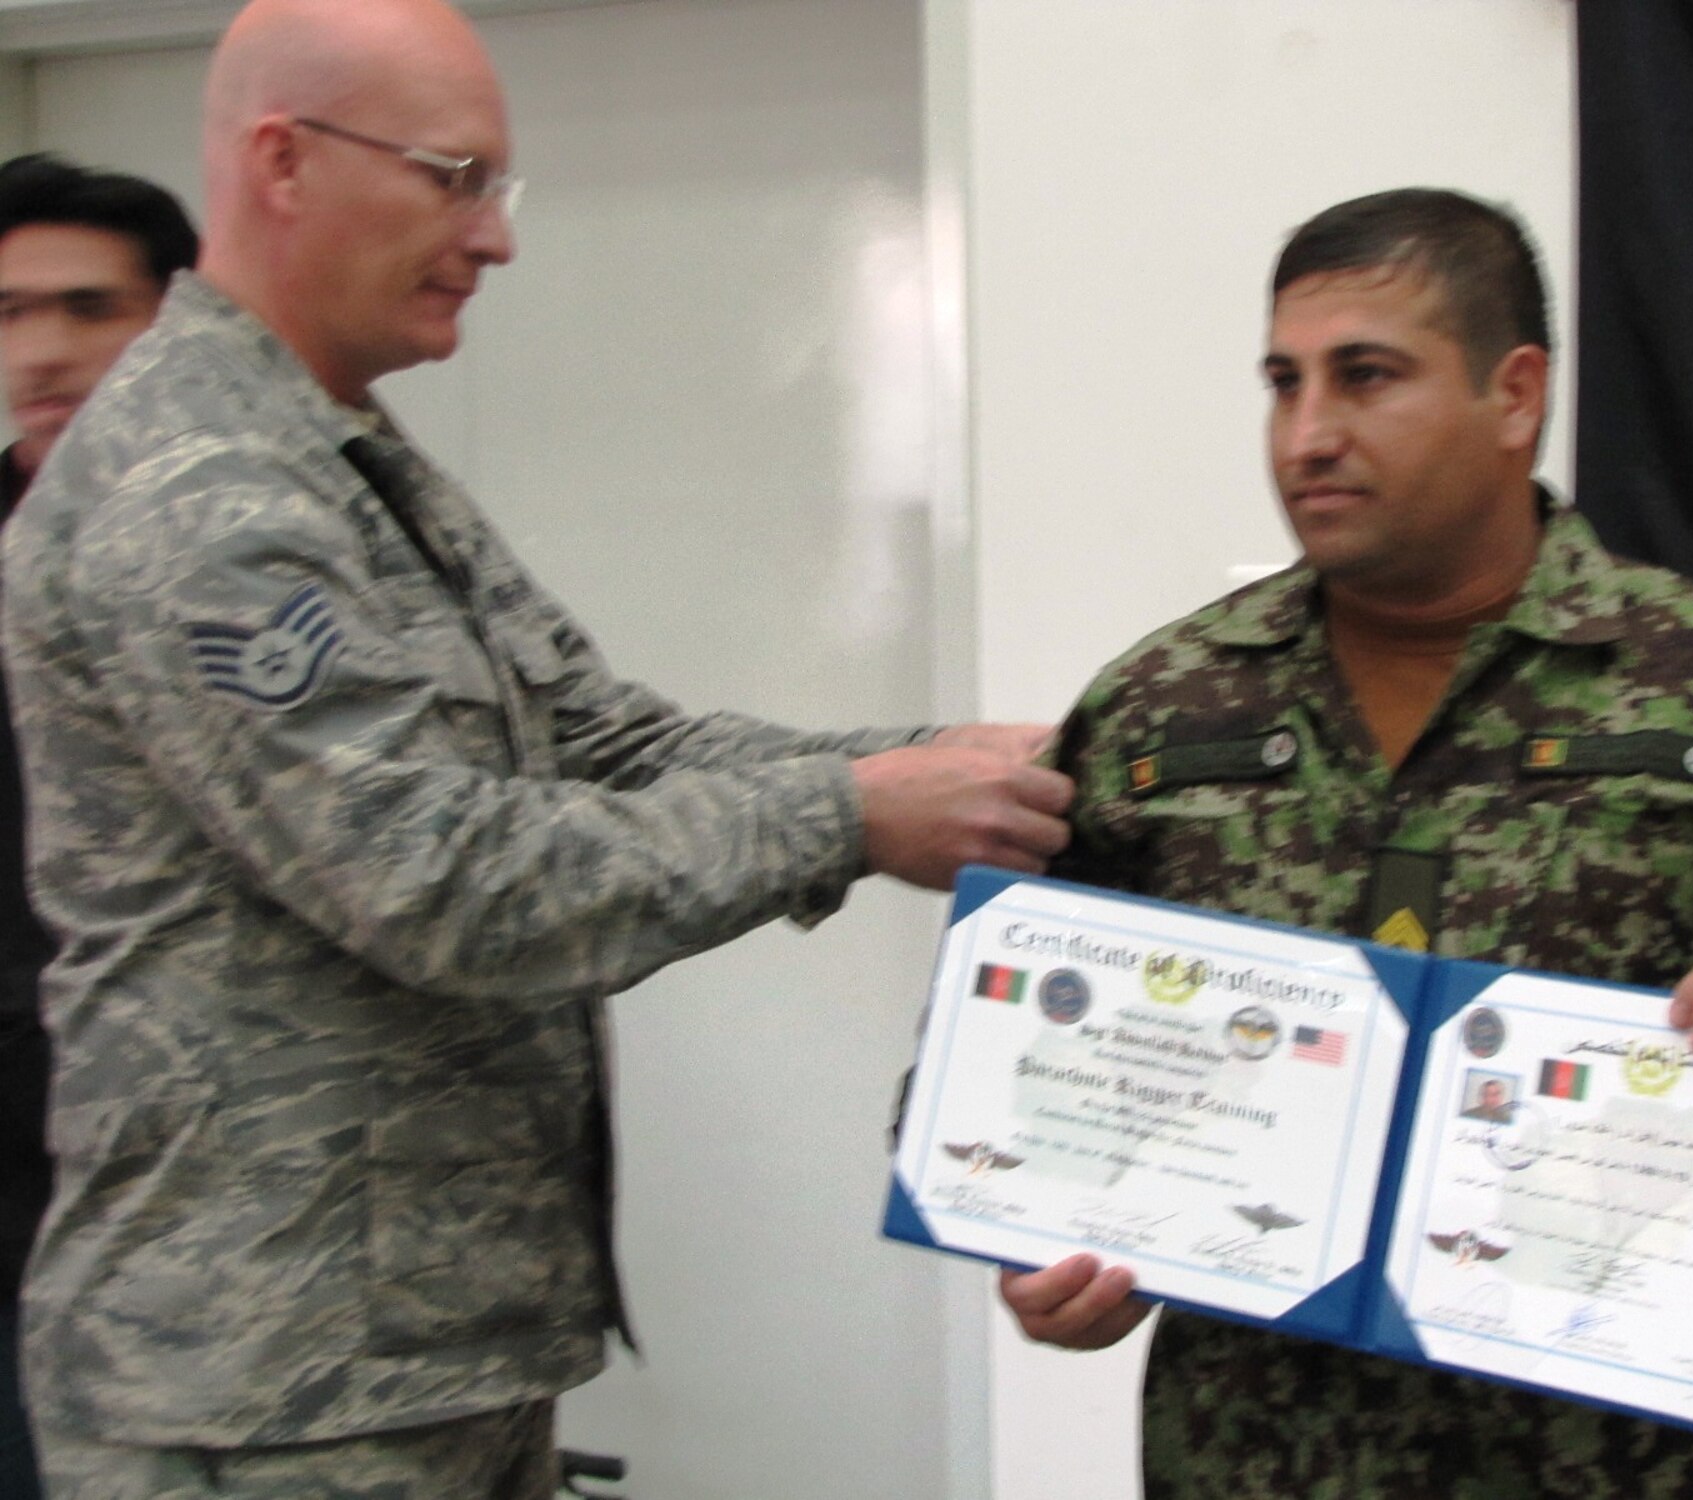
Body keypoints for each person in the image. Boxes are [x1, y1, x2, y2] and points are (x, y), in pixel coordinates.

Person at [1, 1, 1072, 1495]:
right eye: (455, 177)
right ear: (283, 162)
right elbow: (443, 884)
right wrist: (854, 813)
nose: (494, 236)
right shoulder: (200, 494)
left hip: (408, 1359)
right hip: (268, 1396)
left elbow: (611, 742)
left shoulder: (342, 455)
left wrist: (964, 767)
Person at [999, 188, 1693, 1498]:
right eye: (1283, 383)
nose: (1307, 436)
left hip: (1612, 1466)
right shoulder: (1165, 706)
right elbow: (1017, 1058)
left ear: (1513, 394)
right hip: (1252, 1460)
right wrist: (1049, 1242)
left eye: (1366, 378)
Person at [0, 152, 198, 1500]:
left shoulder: (254, 545)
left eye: (86, 307)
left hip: (210, 1206)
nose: (41, 353)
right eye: (8, 314)